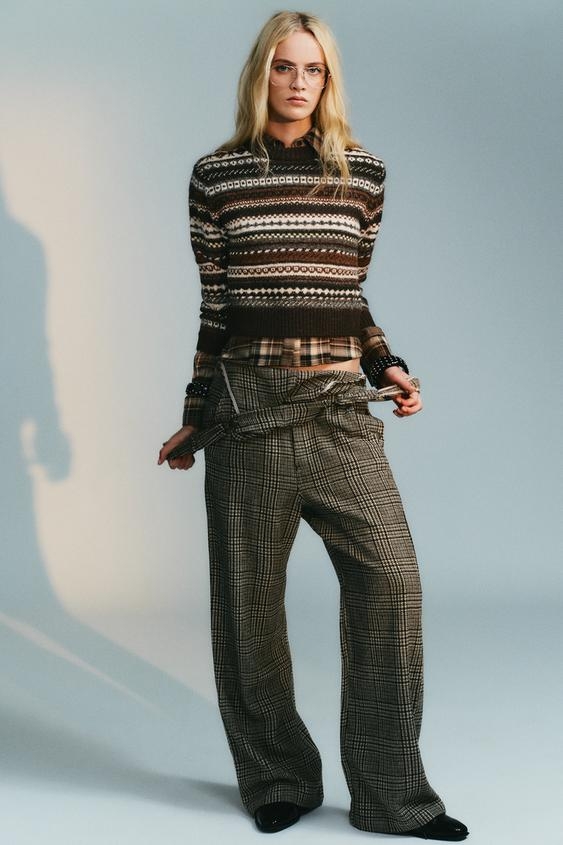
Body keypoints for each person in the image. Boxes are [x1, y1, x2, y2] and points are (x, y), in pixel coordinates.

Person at [158, 10, 468, 841]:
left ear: (328, 80)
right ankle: (277, 779)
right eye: (283, 66)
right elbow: (215, 307)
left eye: (314, 69)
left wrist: (385, 363)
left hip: (336, 409)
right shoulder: (216, 176)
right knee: (247, 604)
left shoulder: (361, 174)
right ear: (259, 73)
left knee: (391, 583)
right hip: (246, 410)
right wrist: (194, 415)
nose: (298, 83)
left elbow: (347, 296)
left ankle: (392, 795)